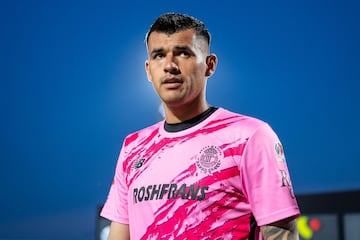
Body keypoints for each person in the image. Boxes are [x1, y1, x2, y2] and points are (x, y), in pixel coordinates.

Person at [101, 12, 300, 240]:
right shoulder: (132, 147)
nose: (169, 65)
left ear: (210, 65)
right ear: (148, 70)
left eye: (183, 53)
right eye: (158, 55)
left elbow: (282, 232)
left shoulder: (249, 136)